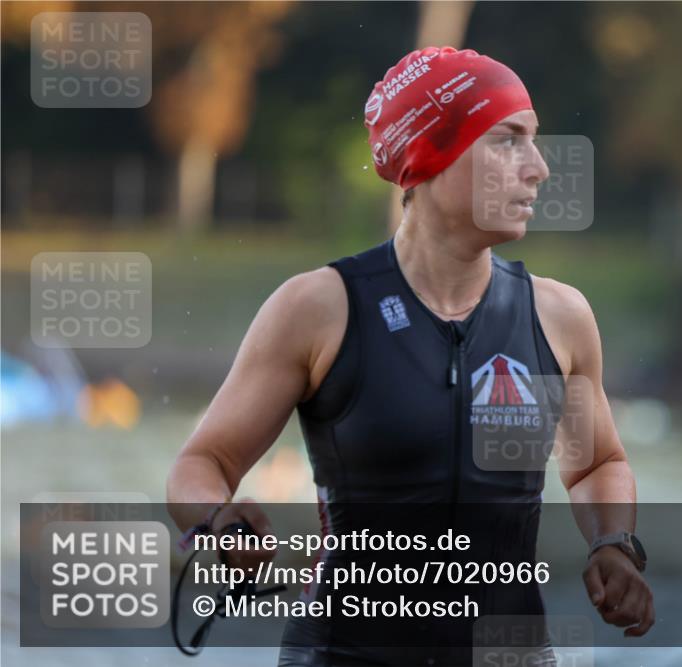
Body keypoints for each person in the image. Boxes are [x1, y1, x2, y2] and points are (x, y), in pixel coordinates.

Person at [167, 46, 654, 666]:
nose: (538, 168)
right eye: (507, 140)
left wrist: (611, 543)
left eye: (534, 141)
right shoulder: (319, 308)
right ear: (430, 154)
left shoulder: (558, 318)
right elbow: (201, 461)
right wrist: (217, 520)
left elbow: (597, 464)